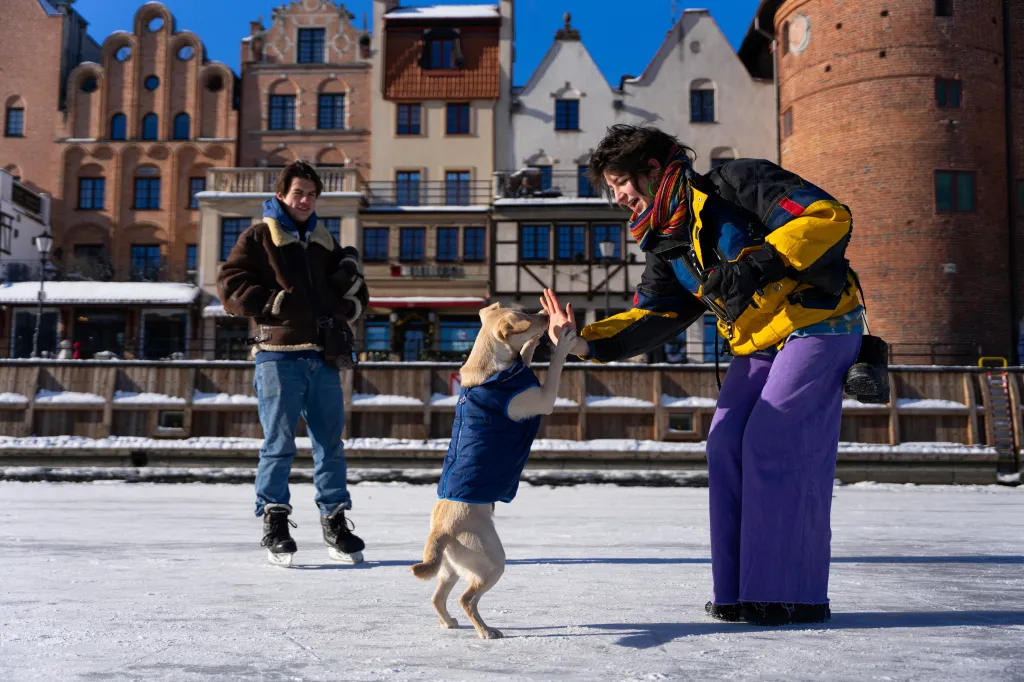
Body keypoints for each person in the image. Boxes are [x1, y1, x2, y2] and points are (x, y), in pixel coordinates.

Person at [541, 124, 874, 625]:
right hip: (758, 342)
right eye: (610, 188)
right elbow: (656, 315)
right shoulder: (667, 243)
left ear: (653, 169)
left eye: (620, 184)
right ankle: (741, 590)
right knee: (723, 444)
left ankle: (792, 592)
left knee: (773, 440)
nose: (617, 198)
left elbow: (828, 217)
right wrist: (582, 340)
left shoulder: (735, 185)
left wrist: (759, 263)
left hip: (820, 321)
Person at [218, 161, 369, 567]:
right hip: (277, 355)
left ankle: (335, 521)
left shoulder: (324, 242)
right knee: (278, 444)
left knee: (330, 445)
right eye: (298, 193)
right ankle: (275, 520)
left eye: (312, 194)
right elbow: (229, 283)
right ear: (282, 195)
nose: (305, 200)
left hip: (323, 356)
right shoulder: (259, 236)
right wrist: (273, 302)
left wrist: (348, 302)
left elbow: (355, 290)